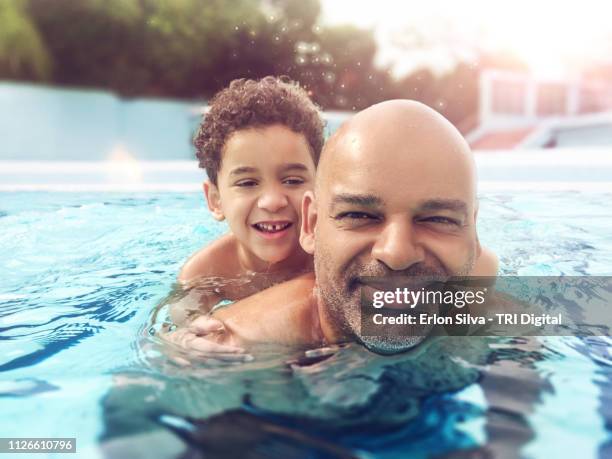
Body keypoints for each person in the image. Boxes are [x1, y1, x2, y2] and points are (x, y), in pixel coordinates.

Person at [167, 99, 499, 356]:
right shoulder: (212, 280)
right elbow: (176, 329)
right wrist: (182, 339)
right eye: (360, 215)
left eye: (438, 219)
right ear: (313, 226)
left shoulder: (485, 287)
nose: (272, 200)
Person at [174, 76, 324, 319]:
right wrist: (189, 334)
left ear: (322, 186)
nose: (273, 201)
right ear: (215, 200)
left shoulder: (330, 256)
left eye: (293, 180)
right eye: (248, 183)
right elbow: (177, 331)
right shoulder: (207, 272)